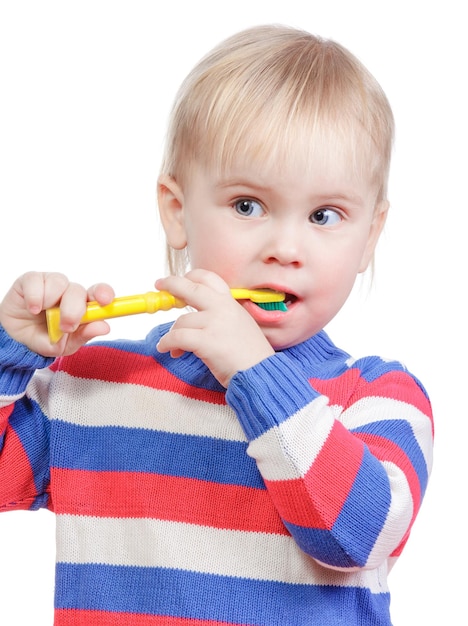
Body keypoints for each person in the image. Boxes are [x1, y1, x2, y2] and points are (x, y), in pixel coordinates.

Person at [0, 24, 433, 626]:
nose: (286, 247)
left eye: (324, 215)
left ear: (369, 237)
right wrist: (13, 355)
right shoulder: (96, 386)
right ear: (177, 213)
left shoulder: (380, 399)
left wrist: (256, 373)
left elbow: (356, 534)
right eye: (247, 205)